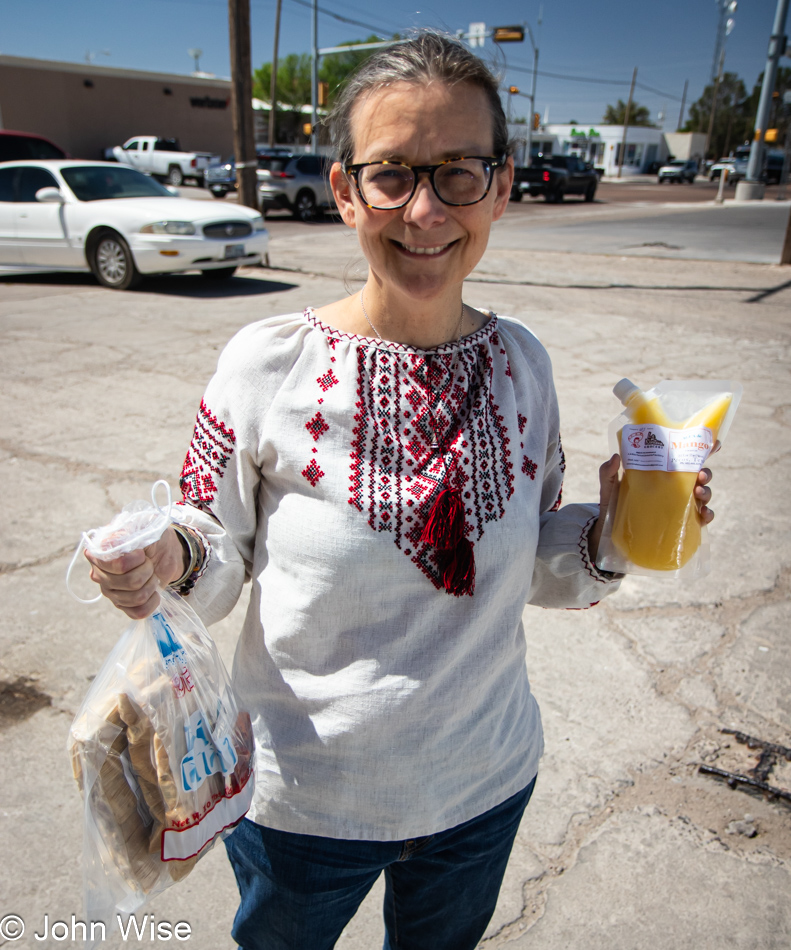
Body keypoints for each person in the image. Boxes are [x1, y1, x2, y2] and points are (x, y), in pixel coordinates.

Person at [86, 31, 716, 950]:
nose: (424, 211)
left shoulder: (521, 365)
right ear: (345, 190)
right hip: (303, 806)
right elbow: (214, 560)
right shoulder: (266, 363)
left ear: (501, 187)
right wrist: (166, 554)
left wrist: (625, 528)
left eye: (459, 172)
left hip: (483, 791)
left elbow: (531, 557)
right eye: (392, 174)